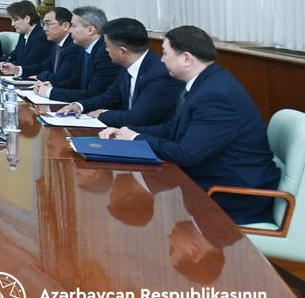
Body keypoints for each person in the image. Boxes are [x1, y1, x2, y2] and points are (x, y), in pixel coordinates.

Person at [100, 25, 280, 225]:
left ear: (186, 58)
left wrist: (136, 139)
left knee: (142, 204)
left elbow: (186, 154)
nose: (161, 60)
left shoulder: (216, 95)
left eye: (165, 53)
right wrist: (127, 132)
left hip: (233, 196)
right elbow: (172, 129)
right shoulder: (205, 83)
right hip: (206, 179)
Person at [56, 17, 178, 128]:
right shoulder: (127, 66)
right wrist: (79, 105)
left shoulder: (159, 75)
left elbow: (136, 118)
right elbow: (109, 98)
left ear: (122, 51)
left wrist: (104, 114)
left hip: (147, 138)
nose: (106, 50)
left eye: (107, 46)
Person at [34, 5, 119, 102]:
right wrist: (52, 85)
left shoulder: (105, 53)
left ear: (90, 30)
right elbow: (75, 82)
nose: (70, 30)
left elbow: (93, 94)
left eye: (73, 26)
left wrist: (50, 92)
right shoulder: (84, 49)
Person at [0, 0, 53, 74]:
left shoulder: (41, 36)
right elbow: (14, 54)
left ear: (27, 19)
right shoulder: (23, 33)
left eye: (15, 20)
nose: (12, 24)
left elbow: (27, 63)